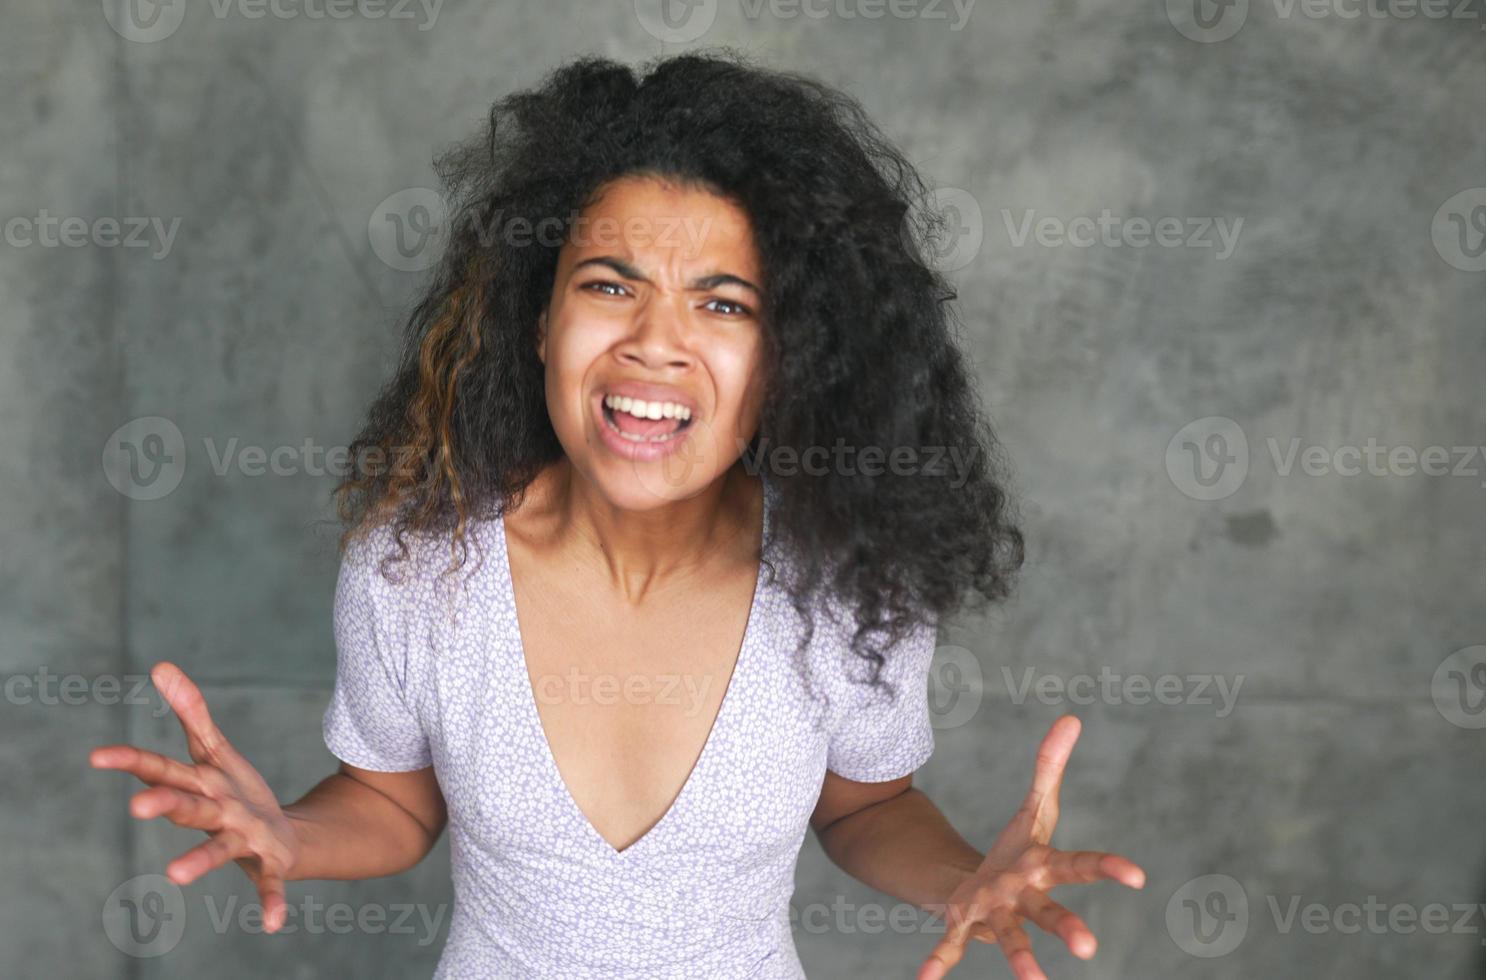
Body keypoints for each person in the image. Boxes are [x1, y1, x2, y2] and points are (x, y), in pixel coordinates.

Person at [89, 50, 1146, 979]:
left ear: (789, 356)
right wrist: (290, 830)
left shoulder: (849, 582)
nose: (654, 340)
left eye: (723, 302)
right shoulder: (412, 566)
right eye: (608, 283)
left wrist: (965, 874)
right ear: (539, 321)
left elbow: (863, 804)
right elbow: (397, 801)